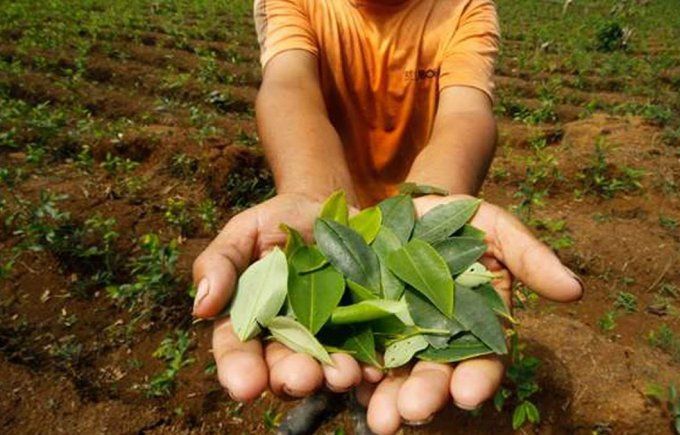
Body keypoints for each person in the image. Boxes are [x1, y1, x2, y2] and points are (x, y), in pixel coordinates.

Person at [191, 0, 584, 433]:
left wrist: (436, 203)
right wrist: (309, 191)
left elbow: (467, 112)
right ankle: (326, 393)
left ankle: (361, 407)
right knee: (327, 324)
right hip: (332, 211)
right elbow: (287, 85)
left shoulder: (465, 7)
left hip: (416, 207)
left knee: (381, 336)